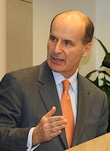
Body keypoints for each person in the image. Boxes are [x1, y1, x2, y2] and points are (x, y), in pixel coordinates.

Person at [0, 10, 108, 151]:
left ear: (86, 49)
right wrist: (34, 136)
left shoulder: (98, 98)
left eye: (67, 43)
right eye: (53, 39)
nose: (56, 49)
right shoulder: (18, 83)